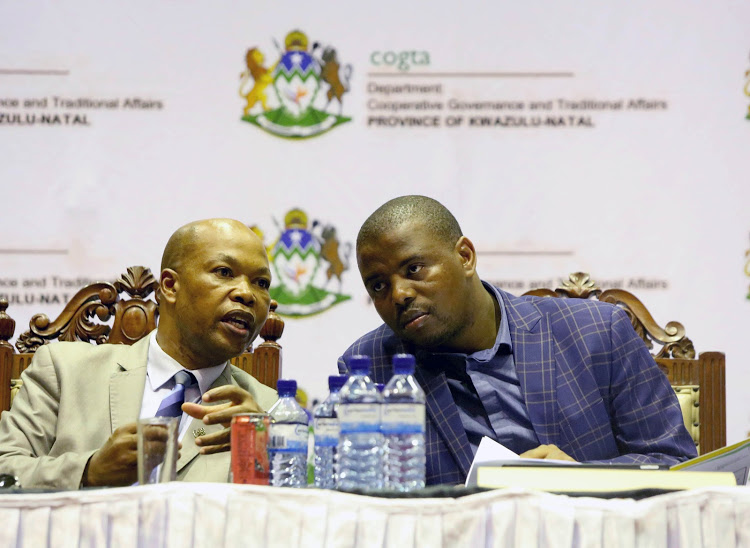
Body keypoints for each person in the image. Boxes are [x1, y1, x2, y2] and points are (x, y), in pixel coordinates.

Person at [339, 196, 697, 486]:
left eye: (413, 269)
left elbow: (673, 463)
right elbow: (361, 501)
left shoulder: (596, 332)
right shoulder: (370, 369)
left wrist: (581, 480)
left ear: (465, 256)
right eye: (378, 285)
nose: (399, 294)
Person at [0, 218, 278, 489]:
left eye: (261, 283)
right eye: (224, 272)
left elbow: (303, 509)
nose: (247, 293)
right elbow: (5, 469)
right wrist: (90, 470)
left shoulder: (269, 411)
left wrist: (264, 450)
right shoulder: (66, 370)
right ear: (170, 286)